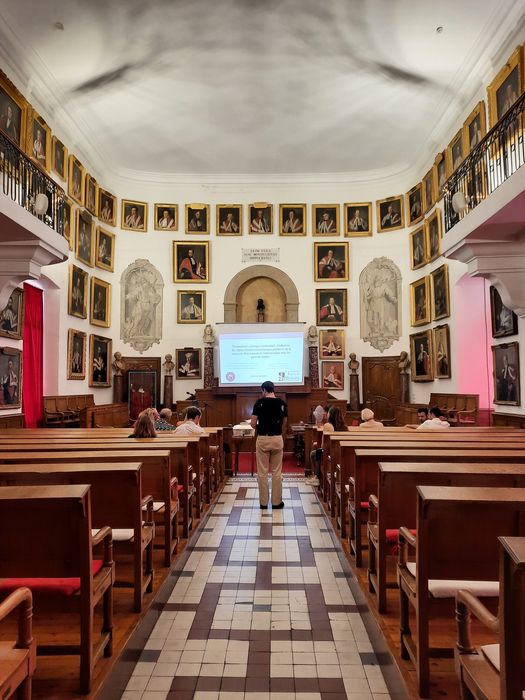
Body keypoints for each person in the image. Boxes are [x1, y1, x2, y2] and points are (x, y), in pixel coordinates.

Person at [250, 381, 288, 509]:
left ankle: (263, 503)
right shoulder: (282, 403)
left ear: (264, 390)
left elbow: (253, 424)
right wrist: (276, 429)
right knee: (277, 472)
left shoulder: (259, 403)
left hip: (263, 438)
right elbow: (284, 422)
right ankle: (277, 503)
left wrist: (262, 425)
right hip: (277, 438)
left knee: (262, 472)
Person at [305, 405, 347, 487]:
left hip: (331, 454)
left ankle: (317, 477)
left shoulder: (328, 425)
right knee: (318, 452)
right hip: (342, 454)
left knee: (314, 453)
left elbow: (323, 446)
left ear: (330, 415)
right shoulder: (344, 427)